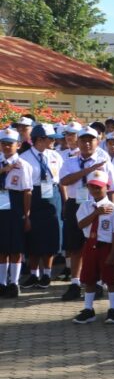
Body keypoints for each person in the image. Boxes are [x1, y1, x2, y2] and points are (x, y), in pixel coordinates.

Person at [57, 128, 114, 302]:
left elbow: (113, 188)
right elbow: (64, 181)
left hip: (99, 206)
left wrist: (112, 209)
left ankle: (97, 282)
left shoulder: (105, 162)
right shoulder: (69, 162)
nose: (86, 144)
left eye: (90, 140)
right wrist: (88, 170)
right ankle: (75, 283)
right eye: (83, 140)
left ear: (97, 142)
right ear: (77, 142)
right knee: (75, 246)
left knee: (97, 245)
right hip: (75, 204)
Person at [71, 171, 114, 324]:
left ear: (107, 187)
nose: (95, 190)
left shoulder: (113, 208)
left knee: (111, 279)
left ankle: (113, 309)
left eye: (98, 187)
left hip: (106, 246)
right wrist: (96, 213)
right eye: (92, 187)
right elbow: (81, 224)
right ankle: (89, 309)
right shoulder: (86, 206)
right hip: (90, 245)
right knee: (89, 278)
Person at [19, 124, 62, 290]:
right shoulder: (25, 158)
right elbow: (26, 186)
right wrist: (27, 212)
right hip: (34, 196)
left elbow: (61, 179)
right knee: (34, 237)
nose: (53, 141)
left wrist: (64, 201)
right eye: (50, 138)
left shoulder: (55, 156)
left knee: (51, 235)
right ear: (38, 139)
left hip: (53, 195)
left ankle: (47, 274)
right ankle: (33, 274)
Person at [0, 128, 33, 297]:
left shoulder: (23, 165)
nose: (6, 147)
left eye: (10, 144)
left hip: (14, 206)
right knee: (1, 248)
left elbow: (27, 191)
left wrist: (26, 215)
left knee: (15, 247)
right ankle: (1, 283)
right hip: (0, 205)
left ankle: (14, 283)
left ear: (18, 145)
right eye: (3, 143)